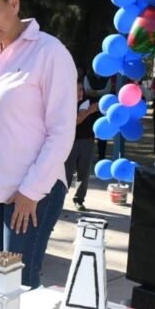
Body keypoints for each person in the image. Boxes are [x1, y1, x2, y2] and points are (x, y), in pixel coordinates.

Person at [0, 0, 77, 289]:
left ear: (14, 3)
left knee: (20, 286)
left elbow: (61, 131)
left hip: (33, 191)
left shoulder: (49, 52)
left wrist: (30, 191)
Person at [65, 81, 98, 211]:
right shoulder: (65, 103)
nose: (80, 93)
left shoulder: (88, 101)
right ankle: (59, 199)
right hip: (70, 142)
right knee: (66, 173)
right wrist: (89, 111)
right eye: (77, 90)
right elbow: (75, 121)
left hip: (87, 141)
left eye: (81, 90)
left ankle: (79, 199)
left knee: (83, 174)